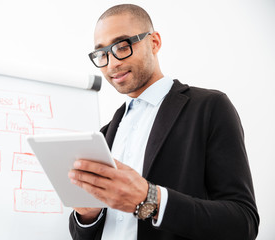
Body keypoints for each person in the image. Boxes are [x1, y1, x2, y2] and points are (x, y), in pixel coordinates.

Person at [68, 4, 259, 240]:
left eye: (122, 46)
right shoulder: (106, 132)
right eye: (102, 53)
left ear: (154, 42)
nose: (111, 64)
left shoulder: (209, 107)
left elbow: (243, 223)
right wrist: (88, 215)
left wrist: (151, 199)